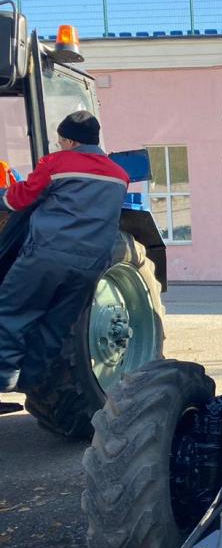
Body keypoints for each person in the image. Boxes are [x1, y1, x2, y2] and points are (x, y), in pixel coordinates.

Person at [0, 111, 129, 393]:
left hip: (47, 255)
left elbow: (22, 197)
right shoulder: (120, 175)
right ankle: (32, 381)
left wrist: (3, 196)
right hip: (91, 265)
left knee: (11, 311)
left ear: (70, 141)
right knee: (55, 325)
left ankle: (4, 377)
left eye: (60, 140)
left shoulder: (56, 163)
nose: (59, 145)